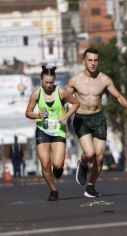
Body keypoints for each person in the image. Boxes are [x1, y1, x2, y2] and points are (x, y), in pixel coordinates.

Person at [67, 48, 127, 198]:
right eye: (90, 60)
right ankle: (83, 163)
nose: (93, 63)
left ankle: (91, 186)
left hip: (98, 118)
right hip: (81, 119)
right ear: (84, 61)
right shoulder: (75, 81)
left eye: (95, 60)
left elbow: (117, 95)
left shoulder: (104, 79)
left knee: (99, 156)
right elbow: (64, 97)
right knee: (90, 153)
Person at [25, 66, 80, 201]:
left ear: (54, 80)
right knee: (45, 163)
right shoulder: (36, 94)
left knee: (58, 164)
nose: (49, 85)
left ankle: (58, 169)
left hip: (58, 131)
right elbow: (28, 112)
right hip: (42, 130)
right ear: (41, 80)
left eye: (51, 82)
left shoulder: (61, 92)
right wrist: (37, 115)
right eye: (46, 82)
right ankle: (53, 190)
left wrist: (66, 116)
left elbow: (76, 103)